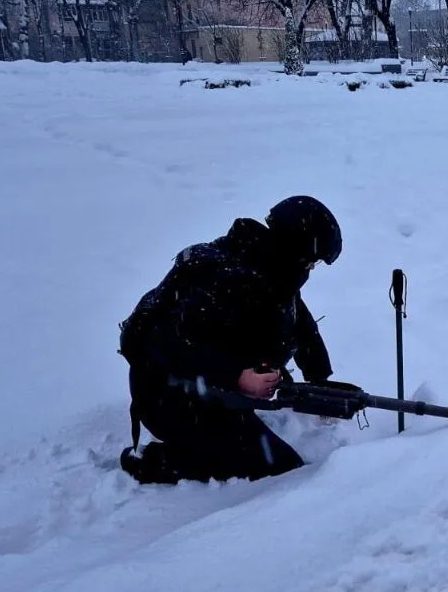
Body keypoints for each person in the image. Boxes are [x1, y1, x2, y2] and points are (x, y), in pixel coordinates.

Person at [116, 196, 343, 485]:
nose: (311, 269)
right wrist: (238, 377)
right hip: (167, 396)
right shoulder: (226, 278)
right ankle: (158, 463)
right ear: (294, 249)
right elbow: (167, 344)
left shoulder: (270, 270)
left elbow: (301, 323)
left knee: (278, 464)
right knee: (280, 471)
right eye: (311, 261)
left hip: (208, 390)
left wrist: (319, 380)